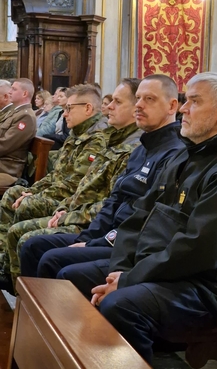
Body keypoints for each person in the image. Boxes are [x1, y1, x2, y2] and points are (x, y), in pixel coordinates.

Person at [83, 72, 217, 365]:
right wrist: (121, 270)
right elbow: (139, 217)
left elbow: (197, 249)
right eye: (185, 100)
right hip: (163, 269)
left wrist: (128, 280)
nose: (183, 109)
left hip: (209, 288)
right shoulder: (189, 154)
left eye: (194, 102)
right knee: (70, 275)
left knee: (120, 306)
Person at [20, 74, 186, 298]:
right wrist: (87, 238)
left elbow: (145, 219)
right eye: (137, 98)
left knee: (54, 260)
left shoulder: (173, 154)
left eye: (149, 99)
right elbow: (113, 201)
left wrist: (92, 243)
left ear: (172, 105)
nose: (139, 105)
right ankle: (34, 317)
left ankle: (60, 328)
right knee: (34, 247)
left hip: (125, 244)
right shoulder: (142, 149)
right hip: (106, 234)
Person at [0, 78, 144, 292]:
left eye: (68, 108)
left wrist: (65, 212)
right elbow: (68, 179)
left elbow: (98, 197)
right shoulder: (99, 138)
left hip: (90, 221)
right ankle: (8, 269)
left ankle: (22, 296)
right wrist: (36, 192)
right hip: (75, 208)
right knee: (17, 199)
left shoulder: (110, 142)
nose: (109, 107)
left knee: (25, 234)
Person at [0, 78, 36, 187]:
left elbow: (4, 145)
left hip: (7, 168)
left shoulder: (26, 117)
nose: (10, 91)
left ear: (25, 93)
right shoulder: (14, 113)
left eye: (14, 89)